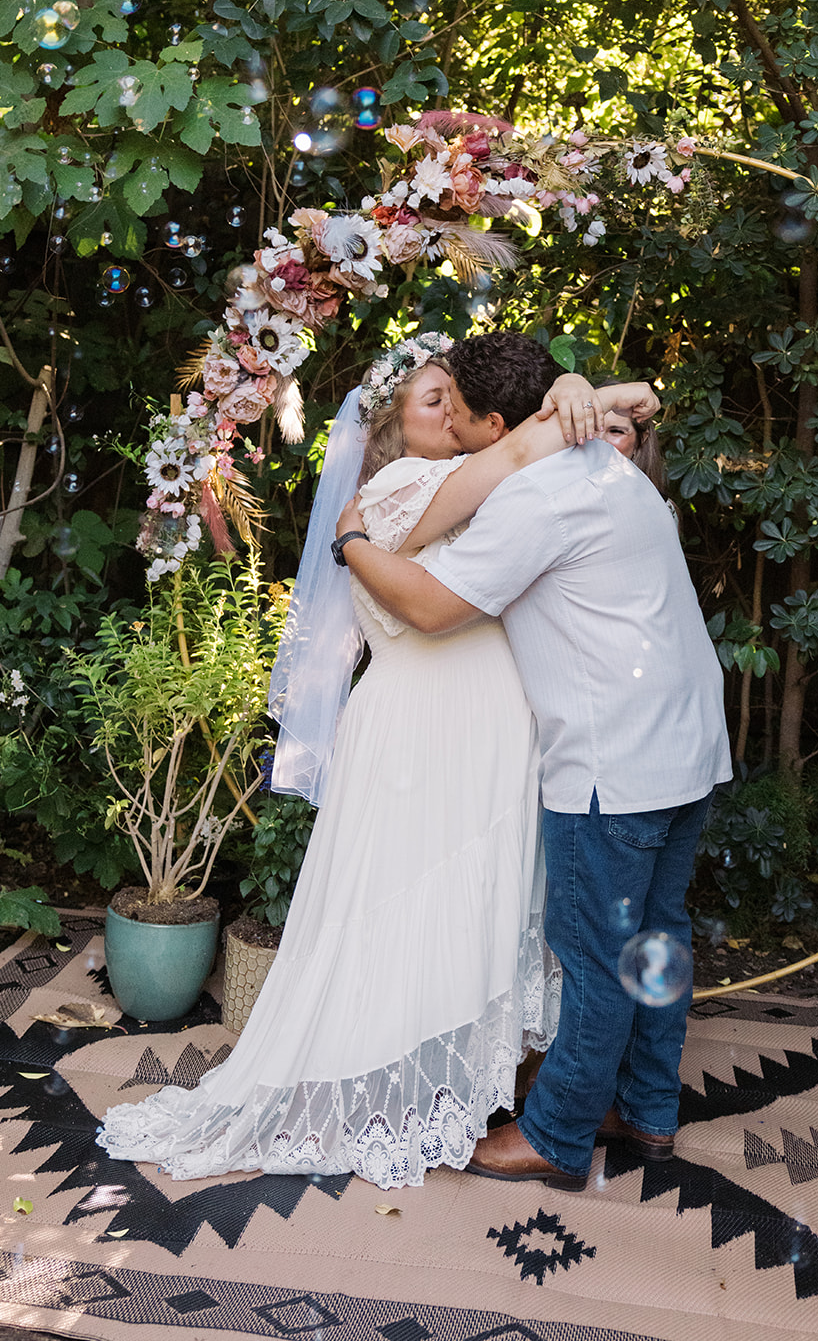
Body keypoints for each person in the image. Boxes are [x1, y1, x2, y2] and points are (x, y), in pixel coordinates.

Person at [98, 332, 658, 1190]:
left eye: (455, 398)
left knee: (469, 897)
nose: (450, 410)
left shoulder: (478, 487)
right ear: (393, 428)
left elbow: (564, 442)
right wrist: (582, 390)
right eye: (431, 399)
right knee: (409, 896)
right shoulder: (396, 491)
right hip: (425, 730)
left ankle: (467, 1071)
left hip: (489, 728)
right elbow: (529, 439)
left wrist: (580, 385)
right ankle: (391, 1075)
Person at [337, 331, 732, 1191]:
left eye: (468, 417)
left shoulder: (533, 498)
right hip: (687, 740)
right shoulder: (603, 463)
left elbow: (434, 609)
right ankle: (647, 1110)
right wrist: (583, 387)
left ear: (494, 420)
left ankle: (554, 1134)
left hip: (612, 758)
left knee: (594, 954)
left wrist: (353, 544)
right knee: (655, 940)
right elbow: (636, 398)